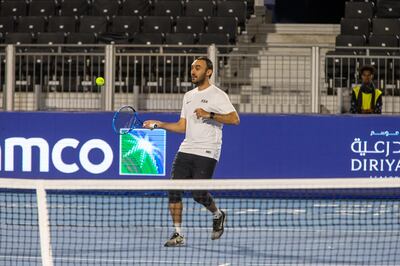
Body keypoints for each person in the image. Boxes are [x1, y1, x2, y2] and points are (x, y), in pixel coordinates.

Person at [143, 56, 240, 247]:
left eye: (198, 68)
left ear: (208, 72)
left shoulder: (218, 95)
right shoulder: (188, 96)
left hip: (208, 150)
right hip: (186, 149)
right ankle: (178, 234)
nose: (193, 71)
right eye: (192, 68)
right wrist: (160, 124)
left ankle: (218, 214)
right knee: (173, 190)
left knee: (198, 194)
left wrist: (209, 114)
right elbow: (181, 126)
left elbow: (234, 119)